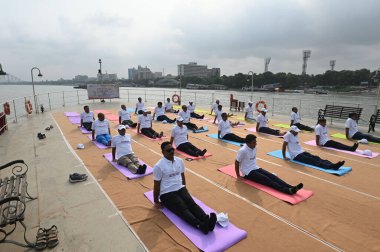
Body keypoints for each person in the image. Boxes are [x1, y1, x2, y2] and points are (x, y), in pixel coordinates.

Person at [153, 141, 217, 234]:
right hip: (167, 193)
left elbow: (182, 175)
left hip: (180, 188)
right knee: (182, 208)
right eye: (168, 150)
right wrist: (156, 201)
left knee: (192, 204)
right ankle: (199, 225)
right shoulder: (158, 166)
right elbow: (156, 184)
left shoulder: (179, 161)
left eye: (172, 149)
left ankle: (206, 220)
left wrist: (184, 189)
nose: (171, 151)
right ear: (163, 152)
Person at [236, 134, 303, 195]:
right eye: (253, 142)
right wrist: (238, 175)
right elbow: (237, 162)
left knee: (273, 176)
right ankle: (287, 190)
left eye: (255, 142)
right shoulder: (242, 151)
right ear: (248, 143)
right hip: (247, 172)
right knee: (267, 179)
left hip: (255, 168)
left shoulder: (254, 148)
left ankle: (291, 187)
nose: (255, 144)